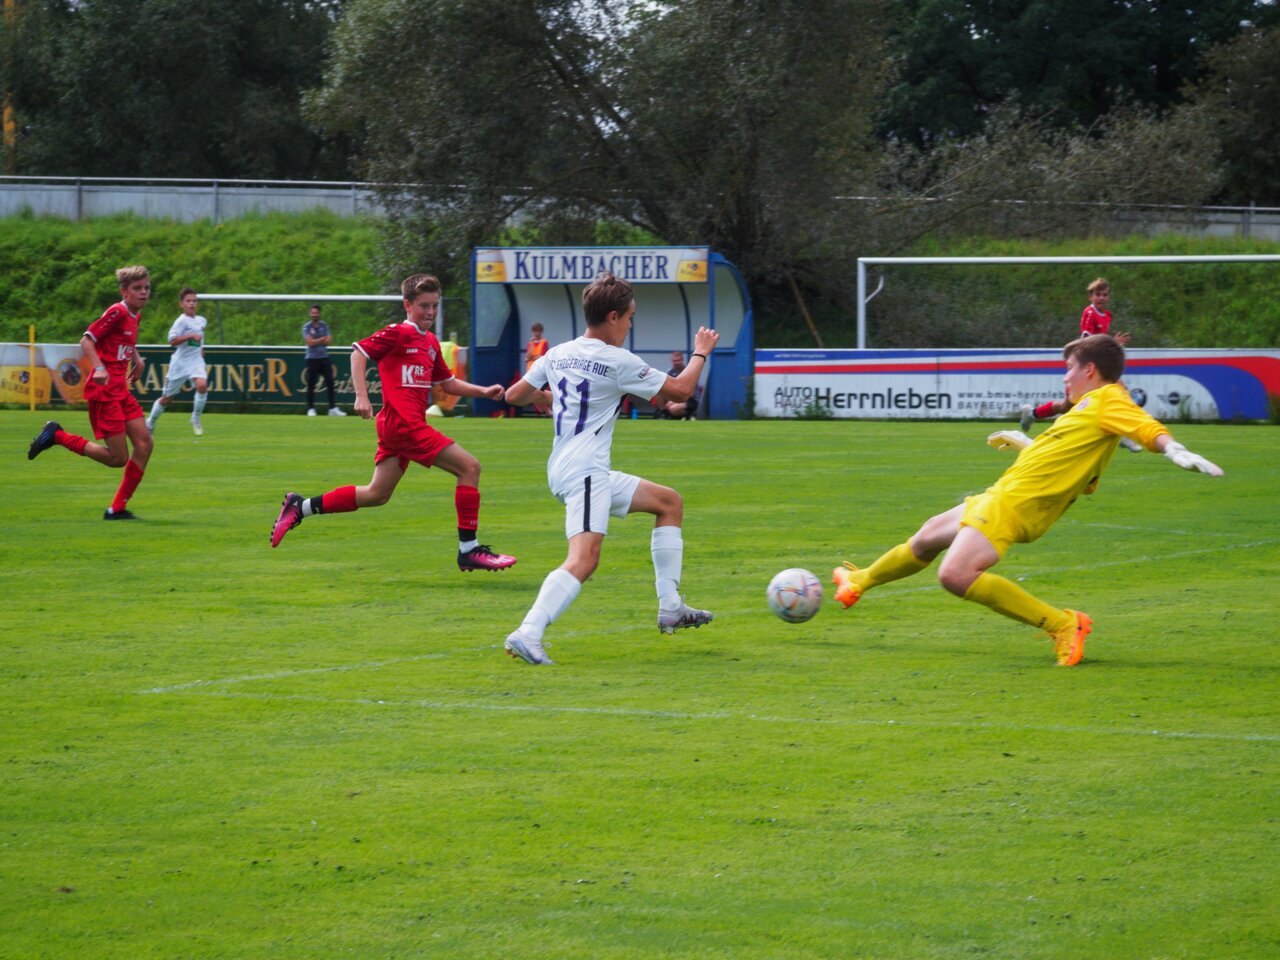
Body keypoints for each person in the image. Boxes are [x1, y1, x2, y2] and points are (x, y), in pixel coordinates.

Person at [833, 334, 1223, 667]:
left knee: (955, 574)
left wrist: (1174, 449)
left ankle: (1063, 624)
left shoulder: (1108, 398)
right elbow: (1064, 460)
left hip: (1015, 504)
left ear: (1089, 370)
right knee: (927, 536)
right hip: (1003, 494)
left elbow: (1145, 427)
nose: (1065, 377)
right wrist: (1026, 443)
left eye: (1069, 368)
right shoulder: (1086, 409)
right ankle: (858, 581)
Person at [502, 271, 719, 665]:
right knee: (585, 558)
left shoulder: (559, 352)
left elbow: (515, 395)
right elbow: (682, 390)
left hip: (568, 467)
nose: (631, 325)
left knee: (668, 502)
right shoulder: (618, 360)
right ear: (613, 316)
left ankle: (671, 606)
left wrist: (553, 397)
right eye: (630, 317)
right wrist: (701, 351)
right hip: (585, 471)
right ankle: (528, 632)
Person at [270, 273, 517, 573]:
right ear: (407, 305)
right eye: (424, 305)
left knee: (377, 494)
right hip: (404, 426)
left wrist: (483, 391)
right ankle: (469, 549)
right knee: (470, 467)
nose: (430, 312)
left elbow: (447, 384)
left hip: (397, 427)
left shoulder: (430, 342)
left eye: (435, 306)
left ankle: (301, 507)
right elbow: (358, 354)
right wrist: (361, 396)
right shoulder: (398, 333)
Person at [27, 265, 155, 520]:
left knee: (144, 444)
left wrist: (137, 360)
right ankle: (57, 435)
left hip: (120, 391)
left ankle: (116, 509)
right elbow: (87, 340)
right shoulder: (117, 311)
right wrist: (99, 367)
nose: (143, 292)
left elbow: (125, 342)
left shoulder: (134, 315)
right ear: (124, 292)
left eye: (146, 287)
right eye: (137, 288)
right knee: (117, 458)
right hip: (104, 392)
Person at [1021, 278, 1133, 428]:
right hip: (1084, 363)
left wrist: (1113, 342)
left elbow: (1099, 341)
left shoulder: (1107, 315)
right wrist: (1111, 342)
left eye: (1105, 295)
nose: (1101, 298)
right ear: (1090, 297)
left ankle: (1124, 429)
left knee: (1120, 391)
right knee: (1067, 406)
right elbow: (1087, 339)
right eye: (1098, 294)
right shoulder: (1089, 313)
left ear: (1109, 297)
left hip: (1098, 363)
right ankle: (1032, 413)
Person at [145, 287, 209, 435]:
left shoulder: (202, 321)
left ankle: (195, 417)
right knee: (167, 399)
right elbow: (172, 341)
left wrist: (201, 350)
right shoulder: (181, 321)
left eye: (194, 301)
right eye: (188, 301)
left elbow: (200, 340)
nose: (192, 303)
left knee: (202, 385)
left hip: (195, 361)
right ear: (182, 304)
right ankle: (150, 422)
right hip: (179, 363)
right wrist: (189, 336)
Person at [303, 304, 345, 417]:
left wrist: (316, 340)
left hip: (324, 358)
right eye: (313, 313)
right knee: (311, 384)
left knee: (330, 382)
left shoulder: (324, 325)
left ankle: (332, 408)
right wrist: (321, 339)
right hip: (311, 359)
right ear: (310, 313)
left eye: (316, 313)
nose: (315, 314)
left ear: (319, 313)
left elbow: (329, 341)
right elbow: (309, 342)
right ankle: (311, 409)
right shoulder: (307, 327)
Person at [654, 351, 701, 419]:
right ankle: (664, 414)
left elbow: (690, 394)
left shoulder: (689, 372)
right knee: (657, 391)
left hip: (689, 400)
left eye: (678, 360)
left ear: (682, 360)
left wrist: (672, 401)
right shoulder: (670, 372)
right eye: (674, 361)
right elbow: (667, 388)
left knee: (673, 408)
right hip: (675, 397)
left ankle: (689, 415)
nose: (676, 363)